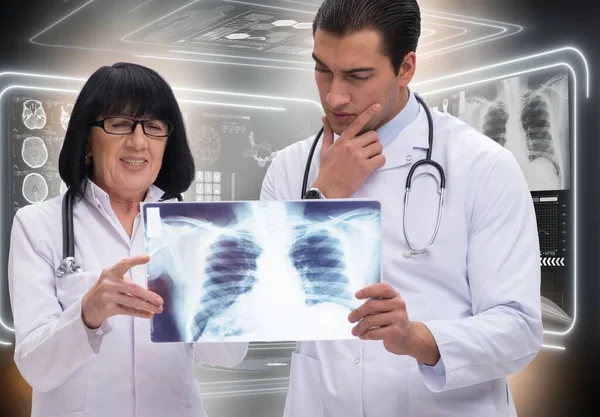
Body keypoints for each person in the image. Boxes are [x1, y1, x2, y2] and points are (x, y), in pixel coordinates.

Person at [260, 0, 543, 416]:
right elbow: (259, 302)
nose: (334, 96)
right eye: (322, 69)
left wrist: (417, 338)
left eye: (357, 76)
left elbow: (519, 329)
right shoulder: (291, 170)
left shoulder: (482, 166)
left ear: (406, 67)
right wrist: (323, 195)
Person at [8, 62, 248, 417]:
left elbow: (227, 356)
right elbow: (35, 368)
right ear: (87, 140)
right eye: (119, 124)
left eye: (153, 127)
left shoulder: (197, 228)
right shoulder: (37, 225)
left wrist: (220, 296)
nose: (138, 141)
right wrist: (87, 314)